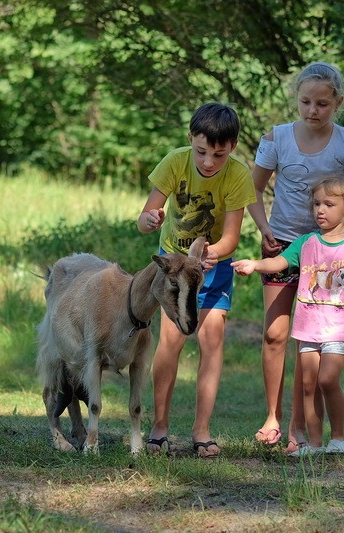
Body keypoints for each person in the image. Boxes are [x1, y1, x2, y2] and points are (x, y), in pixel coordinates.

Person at [245, 61, 344, 453]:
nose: (312, 111)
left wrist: (342, 233)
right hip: (282, 244)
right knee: (274, 334)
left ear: (337, 102)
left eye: (322, 104)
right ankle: (271, 417)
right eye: (305, 102)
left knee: (309, 341)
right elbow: (252, 191)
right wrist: (264, 228)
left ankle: (298, 429)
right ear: (296, 100)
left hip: (327, 257)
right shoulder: (276, 138)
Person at [232, 175, 344, 456]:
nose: (320, 210)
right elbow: (280, 261)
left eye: (329, 204)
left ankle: (338, 438)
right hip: (309, 327)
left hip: (340, 328)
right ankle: (314, 444)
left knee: (326, 379)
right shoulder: (306, 243)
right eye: (316, 204)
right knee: (307, 383)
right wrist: (255, 264)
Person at [137, 102, 257, 458]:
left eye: (218, 155)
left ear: (232, 147)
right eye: (201, 151)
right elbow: (145, 215)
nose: (208, 162)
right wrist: (149, 220)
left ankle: (201, 430)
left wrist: (213, 253)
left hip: (213, 267)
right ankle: (159, 426)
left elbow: (231, 238)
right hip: (174, 267)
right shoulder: (175, 162)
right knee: (171, 342)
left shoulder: (237, 175)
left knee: (211, 341)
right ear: (191, 139)